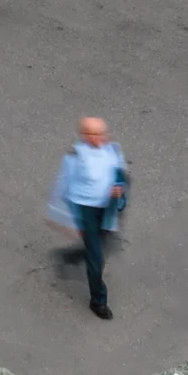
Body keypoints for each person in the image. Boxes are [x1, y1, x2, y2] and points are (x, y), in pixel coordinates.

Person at [47, 115, 129, 320]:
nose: (101, 137)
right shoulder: (75, 158)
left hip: (107, 207)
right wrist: (64, 218)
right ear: (85, 135)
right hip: (87, 210)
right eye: (95, 133)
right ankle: (98, 301)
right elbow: (63, 187)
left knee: (104, 244)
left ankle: (70, 257)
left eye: (103, 132)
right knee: (96, 257)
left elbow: (119, 172)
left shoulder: (112, 150)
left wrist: (119, 187)